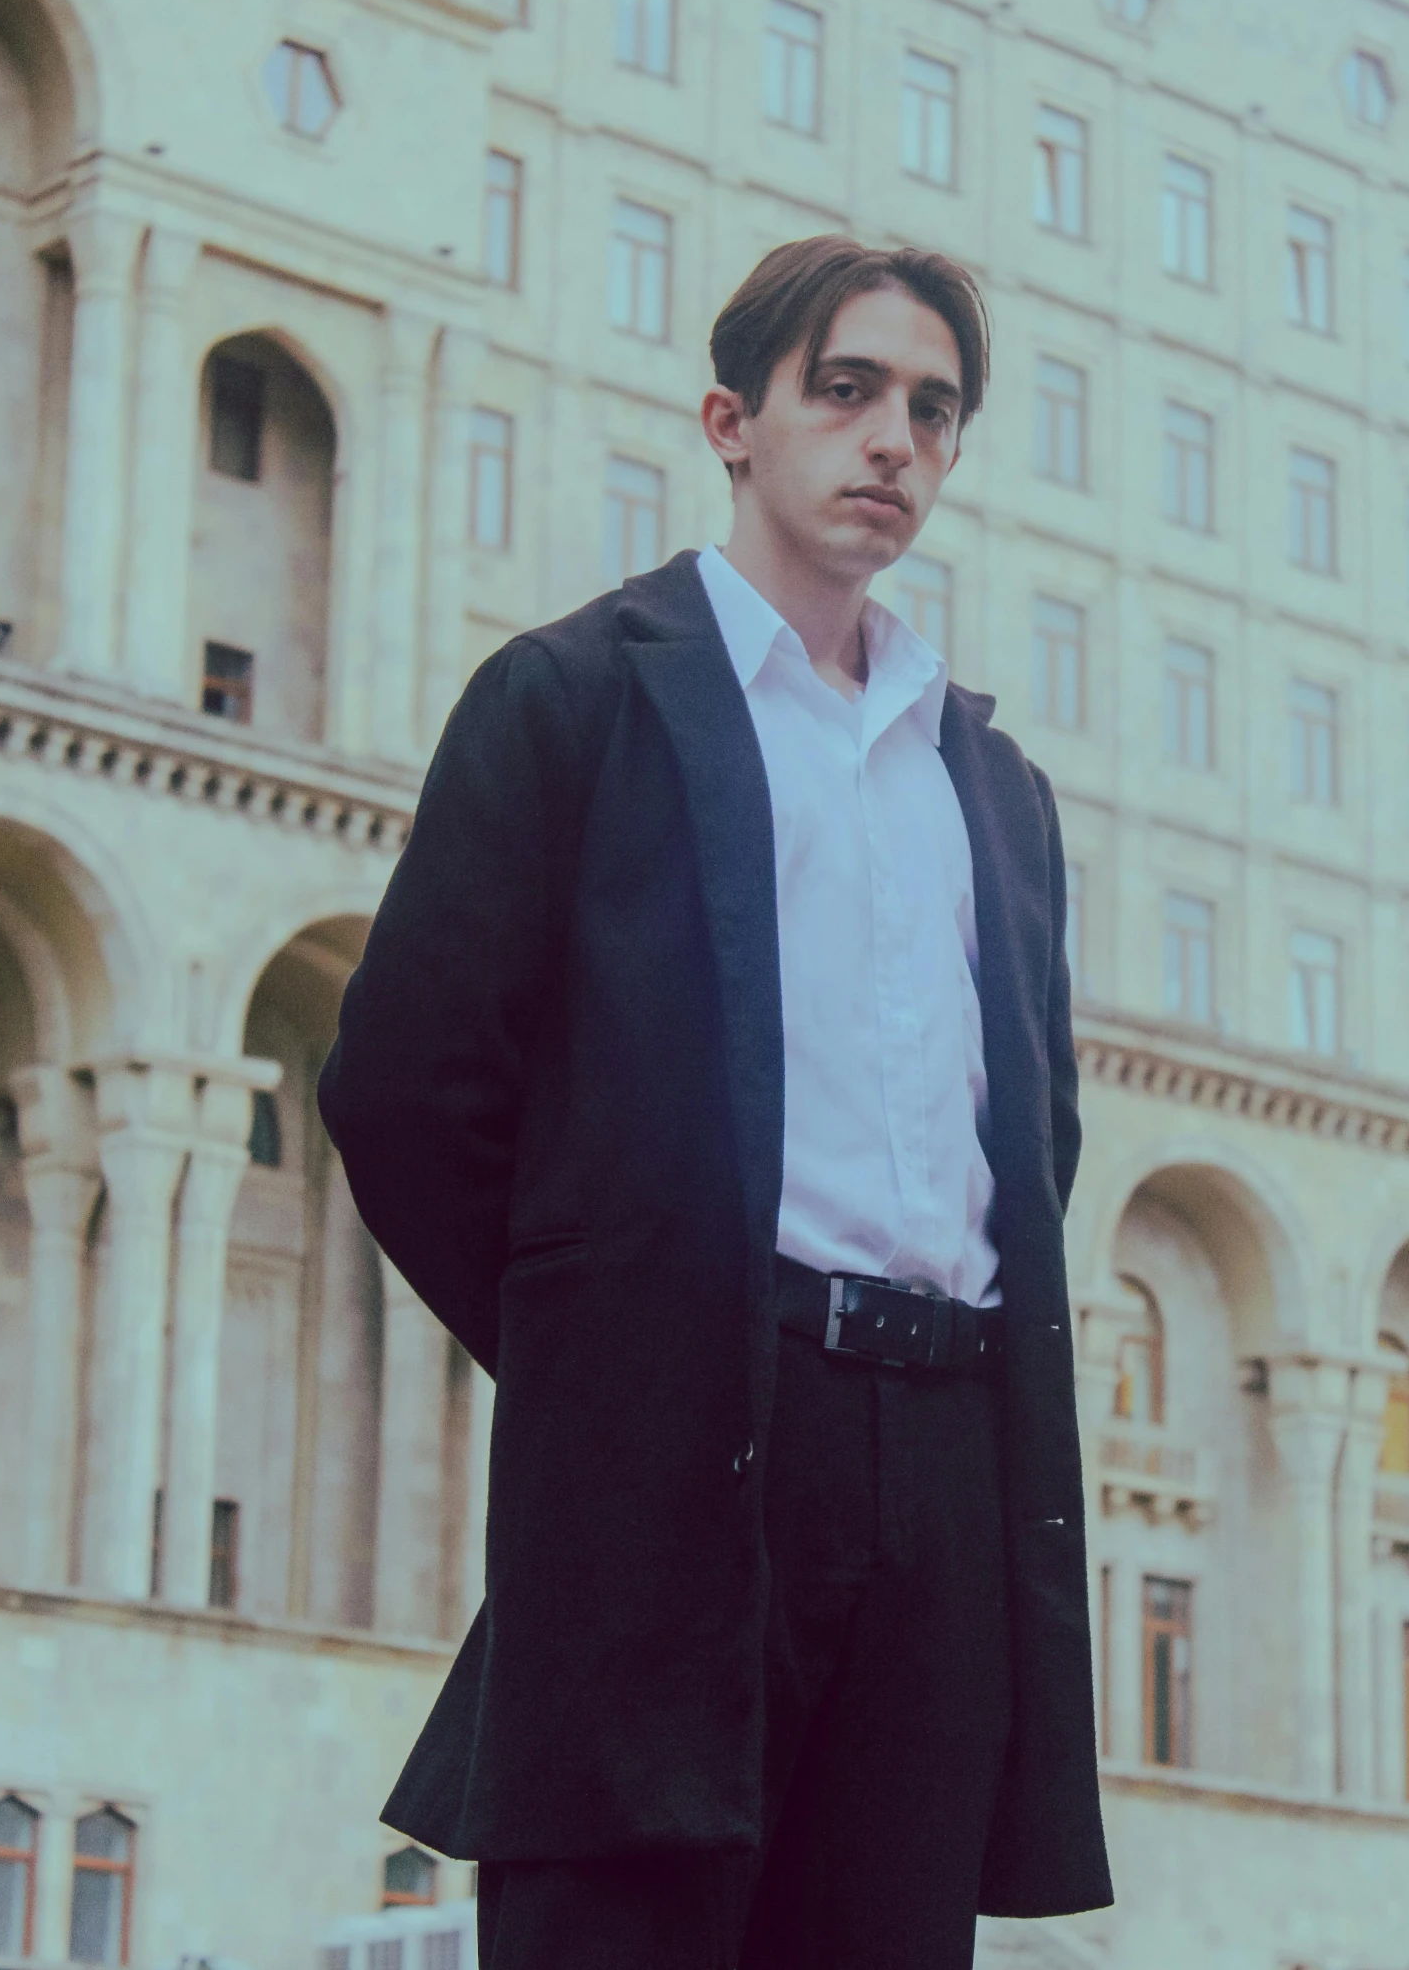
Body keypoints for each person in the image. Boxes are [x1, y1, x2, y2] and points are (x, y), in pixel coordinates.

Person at [317, 233, 1113, 1970]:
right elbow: (401, 1087)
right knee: (624, 1926)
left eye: (932, 407)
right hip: (690, 1442)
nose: (891, 439)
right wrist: (618, 1347)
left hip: (945, 1470)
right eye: (845, 390)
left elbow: (1031, 1137)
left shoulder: (990, 788)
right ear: (731, 420)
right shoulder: (575, 699)